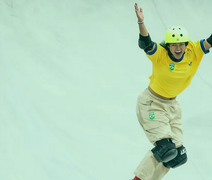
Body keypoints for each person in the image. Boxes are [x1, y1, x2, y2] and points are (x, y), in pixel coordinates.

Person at [132, 3, 212, 180]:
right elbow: (145, 43)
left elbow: (210, 41)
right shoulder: (160, 54)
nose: (178, 49)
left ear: (185, 44)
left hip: (173, 106)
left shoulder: (194, 51)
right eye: (174, 45)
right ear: (168, 46)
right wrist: (141, 22)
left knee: (177, 155)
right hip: (151, 104)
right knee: (165, 148)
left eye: (181, 45)